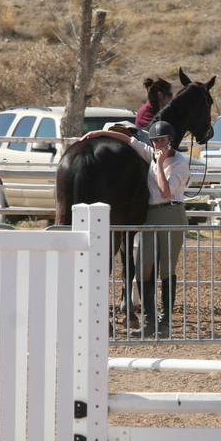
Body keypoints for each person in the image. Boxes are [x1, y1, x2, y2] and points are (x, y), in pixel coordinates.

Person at [81, 120, 191, 339]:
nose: (159, 144)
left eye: (163, 140)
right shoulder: (151, 153)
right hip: (151, 215)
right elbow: (130, 141)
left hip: (171, 214)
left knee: (167, 269)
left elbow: (166, 191)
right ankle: (150, 321)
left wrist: (158, 164)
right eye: (156, 141)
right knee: (143, 268)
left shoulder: (179, 162)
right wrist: (100, 132)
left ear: (171, 141)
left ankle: (165, 321)